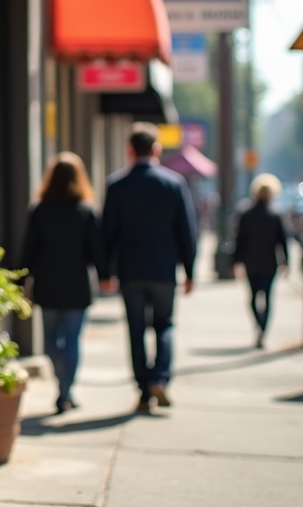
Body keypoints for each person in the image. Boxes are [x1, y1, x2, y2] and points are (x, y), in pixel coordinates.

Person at [101, 122, 197, 413]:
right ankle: (160, 378)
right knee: (164, 325)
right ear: (156, 150)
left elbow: (107, 233)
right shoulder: (174, 183)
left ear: (129, 150)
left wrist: (105, 273)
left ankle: (143, 390)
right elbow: (187, 231)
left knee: (136, 330)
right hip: (164, 271)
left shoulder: (117, 185)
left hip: (130, 271)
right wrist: (190, 271)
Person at [21, 152, 103, 415]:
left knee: (53, 343)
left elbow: (28, 252)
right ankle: (66, 388)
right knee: (69, 342)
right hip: (75, 286)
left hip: (50, 286)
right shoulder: (83, 210)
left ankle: (64, 389)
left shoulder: (42, 210)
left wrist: (21, 280)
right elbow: (97, 251)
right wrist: (105, 275)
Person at [233, 173, 289, 349]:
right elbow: (283, 241)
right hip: (269, 263)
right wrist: (286, 262)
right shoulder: (275, 214)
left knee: (253, 297)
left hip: (252, 262)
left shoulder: (247, 214)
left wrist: (235, 262)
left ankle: (259, 326)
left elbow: (239, 241)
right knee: (267, 297)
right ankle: (262, 329)